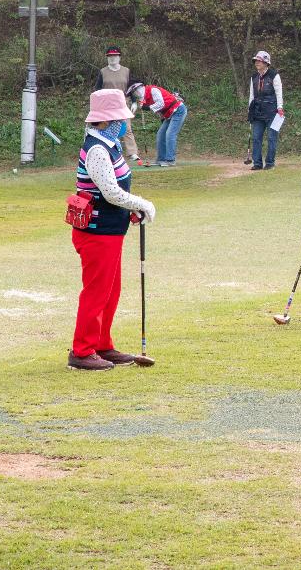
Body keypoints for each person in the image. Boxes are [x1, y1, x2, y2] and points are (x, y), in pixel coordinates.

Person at [68, 89, 157, 371]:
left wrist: (132, 209)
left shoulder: (109, 143)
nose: (124, 123)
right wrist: (141, 203)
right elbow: (111, 193)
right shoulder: (96, 149)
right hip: (96, 232)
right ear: (105, 120)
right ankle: (82, 351)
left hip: (111, 230)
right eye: (120, 118)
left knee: (110, 290)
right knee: (97, 292)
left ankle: (102, 344)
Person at [93, 46, 140, 163]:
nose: (112, 58)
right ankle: (108, 151)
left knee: (127, 128)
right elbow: (97, 89)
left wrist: (134, 101)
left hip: (123, 103)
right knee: (107, 128)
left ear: (119, 57)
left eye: (115, 56)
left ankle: (132, 152)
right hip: (107, 104)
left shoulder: (126, 71)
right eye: (110, 56)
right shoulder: (103, 72)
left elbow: (130, 88)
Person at [127, 81, 187, 167]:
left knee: (170, 134)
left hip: (178, 110)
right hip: (168, 114)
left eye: (133, 92)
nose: (135, 95)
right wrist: (162, 118)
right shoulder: (144, 98)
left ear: (137, 89)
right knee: (160, 134)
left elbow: (161, 103)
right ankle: (161, 159)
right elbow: (160, 109)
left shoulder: (153, 90)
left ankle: (170, 160)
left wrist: (148, 107)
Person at [247, 50, 284, 171]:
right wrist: (250, 110)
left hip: (272, 112)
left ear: (266, 62)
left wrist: (280, 108)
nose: (257, 63)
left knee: (271, 138)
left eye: (259, 61)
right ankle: (257, 163)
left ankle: (270, 163)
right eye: (256, 61)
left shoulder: (274, 75)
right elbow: (252, 95)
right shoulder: (254, 77)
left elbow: (279, 93)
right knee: (256, 137)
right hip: (257, 112)